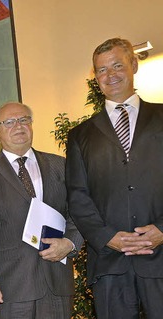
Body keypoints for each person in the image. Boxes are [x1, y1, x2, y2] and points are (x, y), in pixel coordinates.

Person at [66, 37, 163, 319]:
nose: (110, 75)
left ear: (133, 65)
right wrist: (108, 237)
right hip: (110, 263)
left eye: (117, 65)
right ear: (95, 77)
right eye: (102, 70)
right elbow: (78, 196)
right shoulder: (80, 135)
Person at [0, 102, 83, 318]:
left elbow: (78, 214)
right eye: (9, 122)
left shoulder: (60, 165)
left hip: (56, 282)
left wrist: (69, 243)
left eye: (24, 120)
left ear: (31, 125)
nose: (18, 126)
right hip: (10, 287)